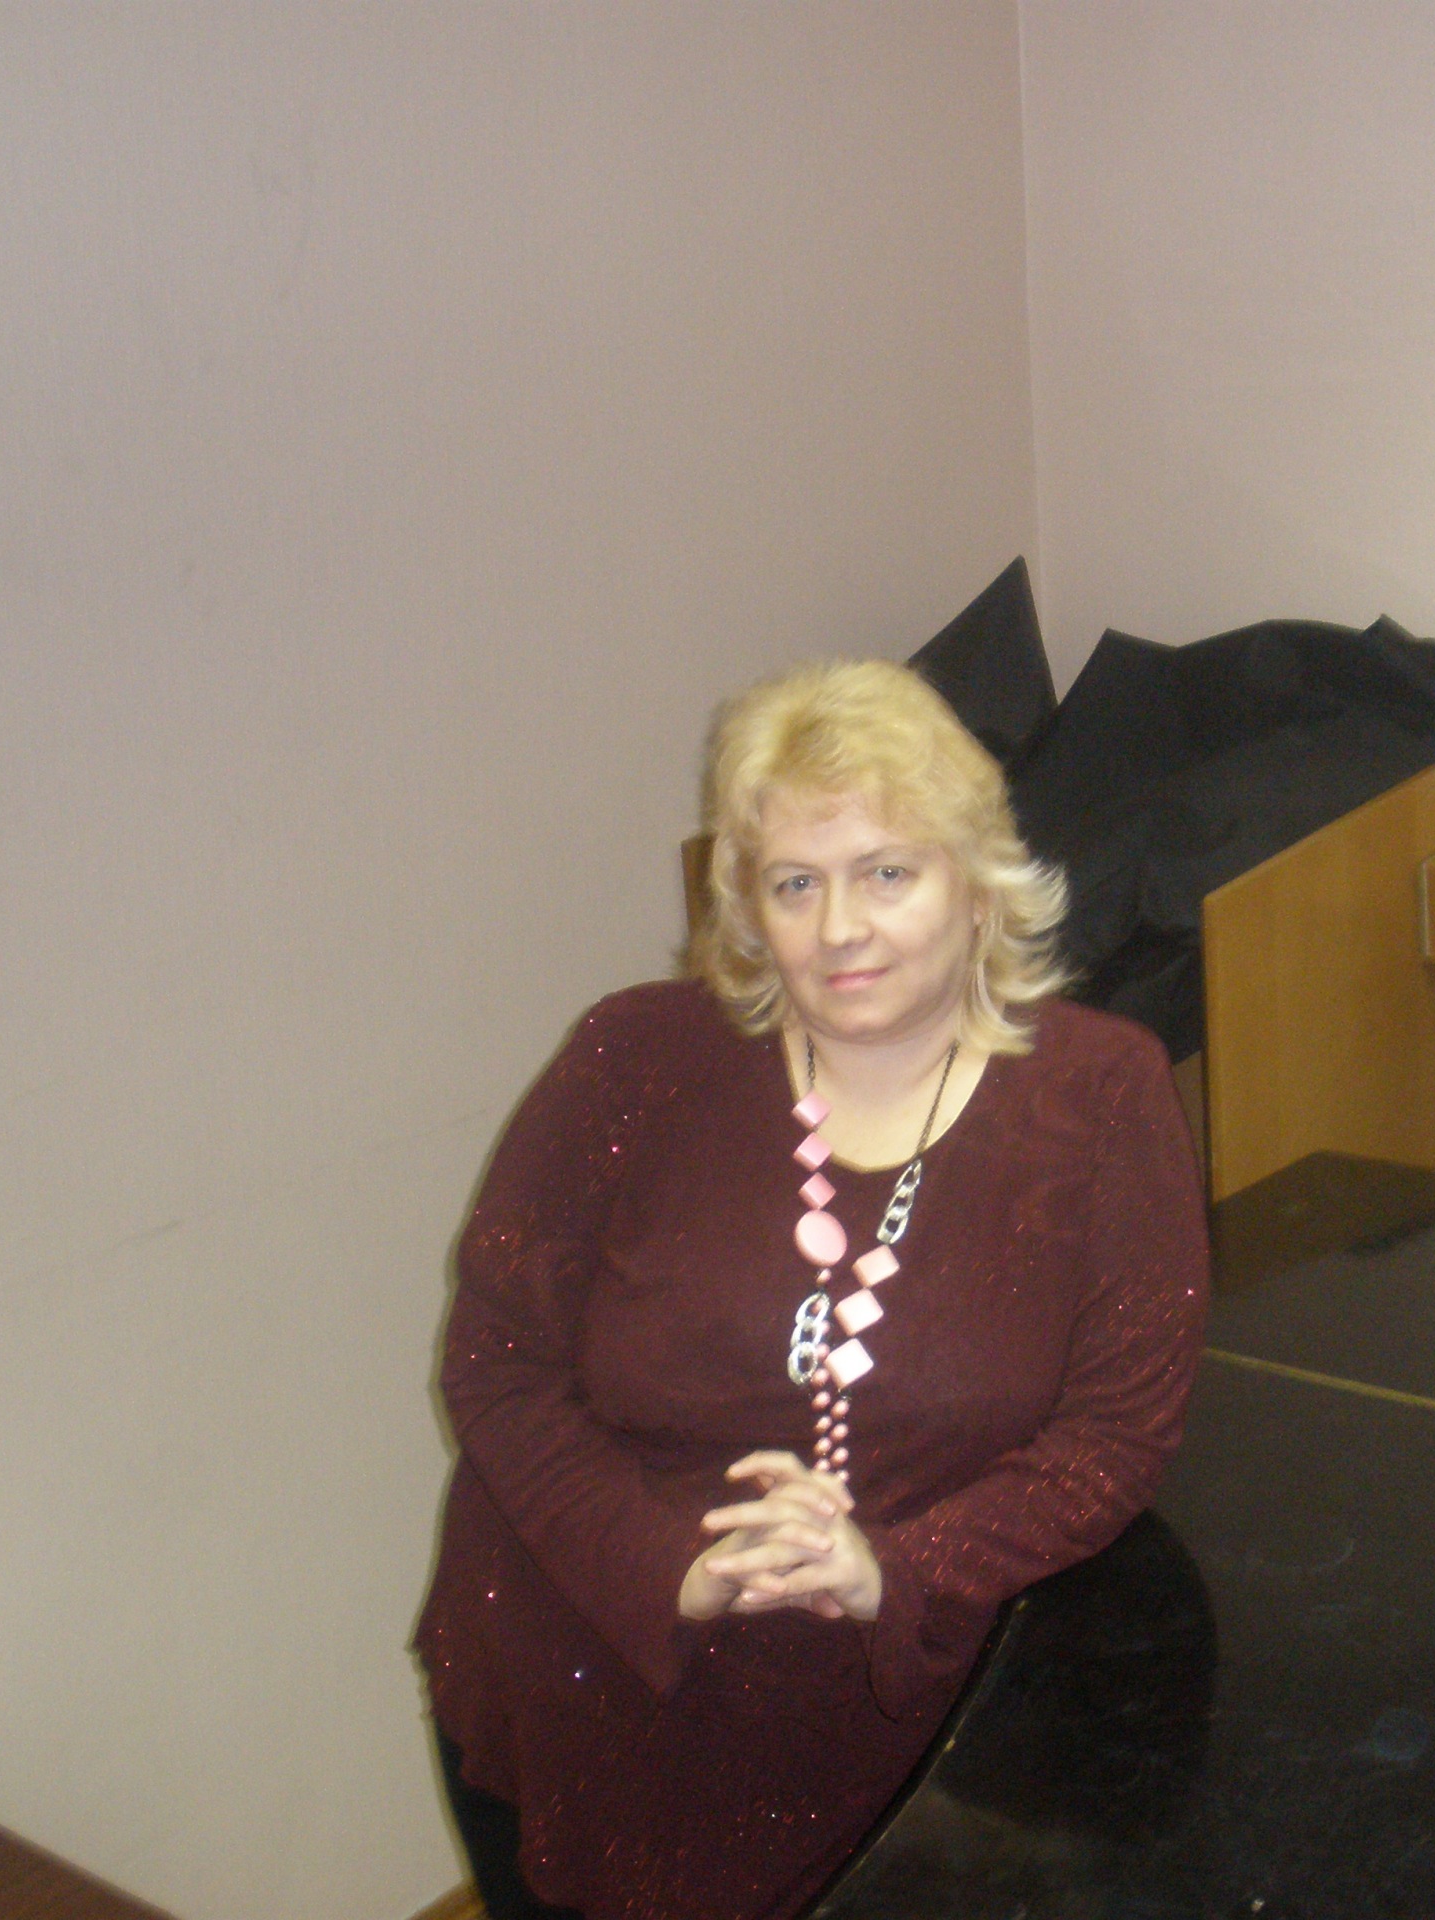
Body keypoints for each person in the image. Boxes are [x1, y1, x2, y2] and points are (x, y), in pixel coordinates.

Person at [411, 658, 1210, 1920]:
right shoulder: (633, 1059)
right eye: (795, 883)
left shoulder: (1103, 1094)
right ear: (747, 906)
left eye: (887, 872)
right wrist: (665, 1565)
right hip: (582, 1678)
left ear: (975, 882)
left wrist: (895, 1571)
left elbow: (1115, 1436)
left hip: (907, 1732)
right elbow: (495, 1363)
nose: (839, 928)